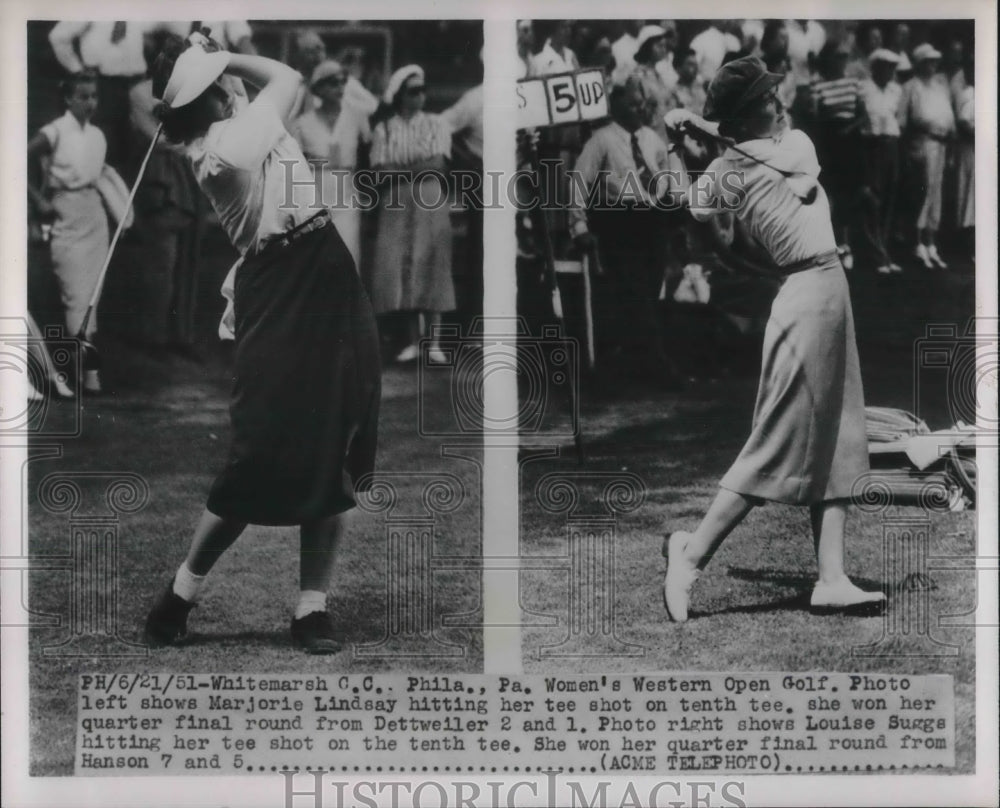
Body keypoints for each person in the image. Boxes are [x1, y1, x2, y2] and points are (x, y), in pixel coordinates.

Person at [141, 37, 381, 654]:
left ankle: (312, 609)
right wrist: (223, 60)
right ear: (215, 97)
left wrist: (214, 61)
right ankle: (180, 594)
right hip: (278, 286)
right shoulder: (221, 149)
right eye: (222, 84)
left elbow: (275, 81)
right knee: (257, 451)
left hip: (324, 263)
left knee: (333, 438)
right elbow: (288, 76)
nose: (231, 87)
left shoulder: (237, 123)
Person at [660, 56, 886, 621]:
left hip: (829, 295)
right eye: (767, 98)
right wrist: (693, 136)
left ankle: (831, 578)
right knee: (773, 444)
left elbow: (708, 179)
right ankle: (690, 554)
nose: (779, 102)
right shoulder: (776, 153)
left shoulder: (770, 152)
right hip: (808, 298)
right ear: (746, 112)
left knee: (838, 436)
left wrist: (690, 132)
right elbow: (697, 200)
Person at [569, 80, 688, 390]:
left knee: (650, 289)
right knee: (635, 292)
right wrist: (579, 225)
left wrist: (674, 205)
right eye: (634, 103)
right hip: (619, 221)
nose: (641, 108)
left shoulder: (651, 139)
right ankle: (658, 364)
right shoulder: (602, 140)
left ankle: (633, 363)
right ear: (617, 106)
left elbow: (667, 176)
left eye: (643, 103)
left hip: (652, 220)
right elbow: (579, 182)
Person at [27, 70, 110, 394]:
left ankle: (86, 373)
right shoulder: (54, 131)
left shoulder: (98, 136)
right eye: (83, 96)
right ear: (68, 98)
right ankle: (85, 373)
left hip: (95, 218)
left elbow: (99, 176)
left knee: (91, 297)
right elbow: (14, 161)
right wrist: (38, 200)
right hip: (66, 215)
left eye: (94, 97)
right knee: (76, 298)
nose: (90, 103)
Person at [129, 32, 208, 358]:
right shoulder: (139, 93)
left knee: (189, 262)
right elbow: (160, 139)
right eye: (168, 56)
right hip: (160, 180)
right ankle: (155, 336)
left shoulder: (191, 91)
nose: (173, 62)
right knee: (161, 263)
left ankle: (182, 336)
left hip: (191, 178)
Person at [369, 65, 454, 364]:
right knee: (403, 263)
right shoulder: (385, 129)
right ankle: (413, 340)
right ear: (401, 96)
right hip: (396, 200)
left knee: (432, 260)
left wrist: (401, 170)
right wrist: (416, 167)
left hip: (429, 196)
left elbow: (438, 164)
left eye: (423, 90)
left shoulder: (436, 123)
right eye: (413, 91)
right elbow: (379, 172)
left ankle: (435, 342)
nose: (420, 96)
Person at [290, 59, 372, 269]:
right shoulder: (303, 123)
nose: (339, 87)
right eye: (332, 83)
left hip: (346, 195)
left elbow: (367, 157)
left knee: (348, 256)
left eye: (342, 81)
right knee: (316, 260)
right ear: (319, 88)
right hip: (314, 196)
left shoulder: (356, 117)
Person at [48, 21, 148, 176]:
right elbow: (58, 37)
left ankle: (128, 194)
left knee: (136, 145)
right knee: (107, 144)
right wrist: (77, 70)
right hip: (106, 85)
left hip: (136, 84)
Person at [809, 41, 865, 270]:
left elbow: (863, 116)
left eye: (845, 57)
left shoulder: (854, 83)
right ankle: (826, 247)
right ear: (828, 59)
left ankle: (845, 245)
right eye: (838, 56)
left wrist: (848, 130)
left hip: (850, 141)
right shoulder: (818, 85)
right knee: (827, 193)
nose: (842, 61)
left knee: (847, 196)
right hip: (827, 141)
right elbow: (815, 115)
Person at [898, 43, 955, 270]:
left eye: (935, 61)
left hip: (941, 145)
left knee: (935, 194)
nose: (933, 65)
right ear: (920, 63)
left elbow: (948, 118)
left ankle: (932, 243)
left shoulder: (940, 87)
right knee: (922, 192)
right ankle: (918, 242)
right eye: (928, 61)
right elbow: (903, 120)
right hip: (921, 144)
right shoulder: (910, 87)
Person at [858, 49, 903, 275]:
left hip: (891, 145)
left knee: (888, 199)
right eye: (885, 66)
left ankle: (884, 251)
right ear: (875, 67)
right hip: (871, 145)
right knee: (872, 199)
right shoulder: (863, 88)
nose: (890, 71)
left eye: (893, 67)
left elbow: (897, 119)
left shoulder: (896, 90)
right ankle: (875, 254)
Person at [630, 25, 675, 143]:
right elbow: (636, 114)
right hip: (648, 139)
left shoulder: (658, 75)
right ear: (646, 47)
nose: (663, 49)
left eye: (664, 46)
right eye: (659, 46)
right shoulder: (636, 76)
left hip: (665, 136)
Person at [953, 59, 974, 260]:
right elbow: (963, 122)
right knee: (968, 193)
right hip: (970, 150)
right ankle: (966, 244)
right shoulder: (967, 94)